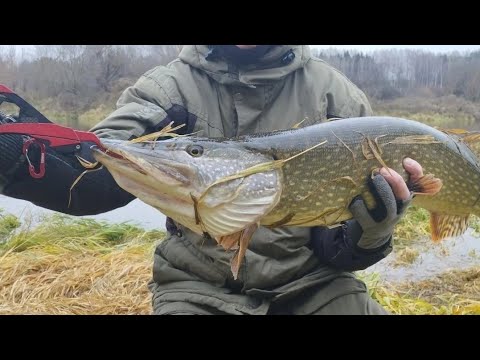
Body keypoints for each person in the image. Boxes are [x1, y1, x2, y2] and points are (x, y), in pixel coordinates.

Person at [0, 45, 423, 315]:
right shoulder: (170, 89)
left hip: (316, 287)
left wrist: (375, 227)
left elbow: (339, 251)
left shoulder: (339, 99)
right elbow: (94, 173)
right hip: (197, 290)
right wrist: (18, 157)